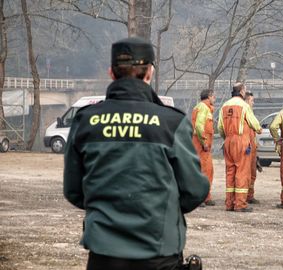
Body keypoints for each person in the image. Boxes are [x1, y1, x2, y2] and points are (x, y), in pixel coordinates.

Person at [63, 37, 210, 270]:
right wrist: (159, 209)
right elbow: (194, 190)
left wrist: (108, 208)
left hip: (104, 253)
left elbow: (73, 190)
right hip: (159, 251)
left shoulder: (86, 120)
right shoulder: (171, 122)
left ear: (111, 73)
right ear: (149, 72)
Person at [217, 82, 262, 212]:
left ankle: (229, 204)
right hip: (241, 141)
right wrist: (258, 129)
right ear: (242, 91)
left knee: (230, 172)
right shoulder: (244, 106)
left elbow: (220, 127)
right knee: (242, 172)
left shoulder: (224, 106)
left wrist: (227, 138)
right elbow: (255, 124)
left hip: (228, 141)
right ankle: (240, 204)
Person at [192, 89, 216, 206]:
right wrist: (204, 142)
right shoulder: (204, 108)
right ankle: (200, 198)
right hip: (202, 147)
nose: (214, 98)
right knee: (204, 171)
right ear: (209, 96)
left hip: (201, 146)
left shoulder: (200, 107)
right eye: (213, 96)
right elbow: (199, 127)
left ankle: (206, 197)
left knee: (207, 171)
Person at [244, 91, 260, 204]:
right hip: (246, 147)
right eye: (251, 100)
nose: (253, 103)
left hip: (252, 147)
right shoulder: (245, 112)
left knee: (252, 173)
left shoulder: (250, 112)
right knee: (246, 173)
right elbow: (257, 128)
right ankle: (244, 196)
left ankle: (250, 195)